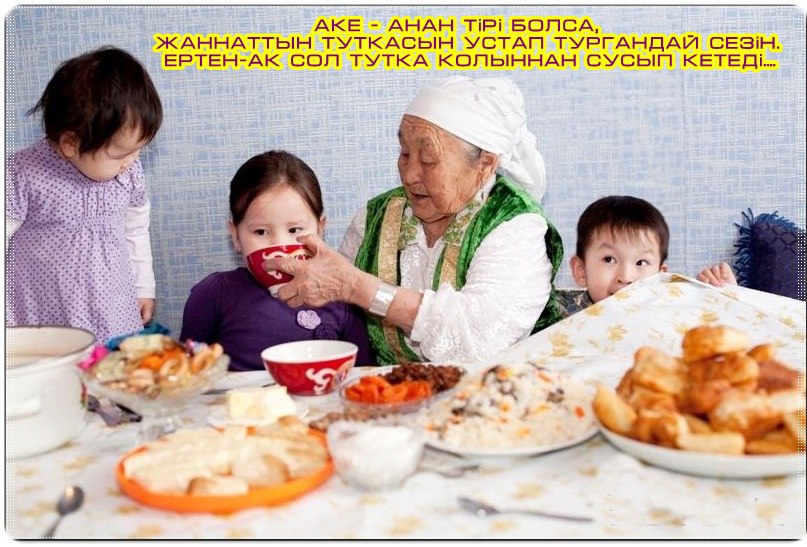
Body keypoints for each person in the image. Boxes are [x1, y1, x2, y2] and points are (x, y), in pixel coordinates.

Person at [266, 77, 563, 365]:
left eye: (428, 159)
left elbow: (478, 337)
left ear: (485, 165)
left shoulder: (515, 225)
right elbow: (336, 311)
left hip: (498, 392)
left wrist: (357, 287)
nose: (409, 175)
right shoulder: (375, 218)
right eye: (405, 153)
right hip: (391, 394)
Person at [6, 46, 163, 342]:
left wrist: (144, 287)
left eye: (138, 150)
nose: (131, 161)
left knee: (114, 367)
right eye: (120, 154)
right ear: (71, 143)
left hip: (113, 308)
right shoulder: (22, 172)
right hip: (44, 315)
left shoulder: (128, 172)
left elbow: (135, 230)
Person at [180, 150, 374, 372]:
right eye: (261, 232)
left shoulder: (342, 298)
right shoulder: (213, 294)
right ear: (235, 236)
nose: (279, 246)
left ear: (320, 230)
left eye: (294, 230)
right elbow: (186, 377)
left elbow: (364, 377)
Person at [560, 195, 737, 316]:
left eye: (641, 262)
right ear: (581, 270)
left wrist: (728, 296)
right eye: (609, 259)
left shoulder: (672, 311)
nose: (626, 277)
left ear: (661, 276)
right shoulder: (560, 314)